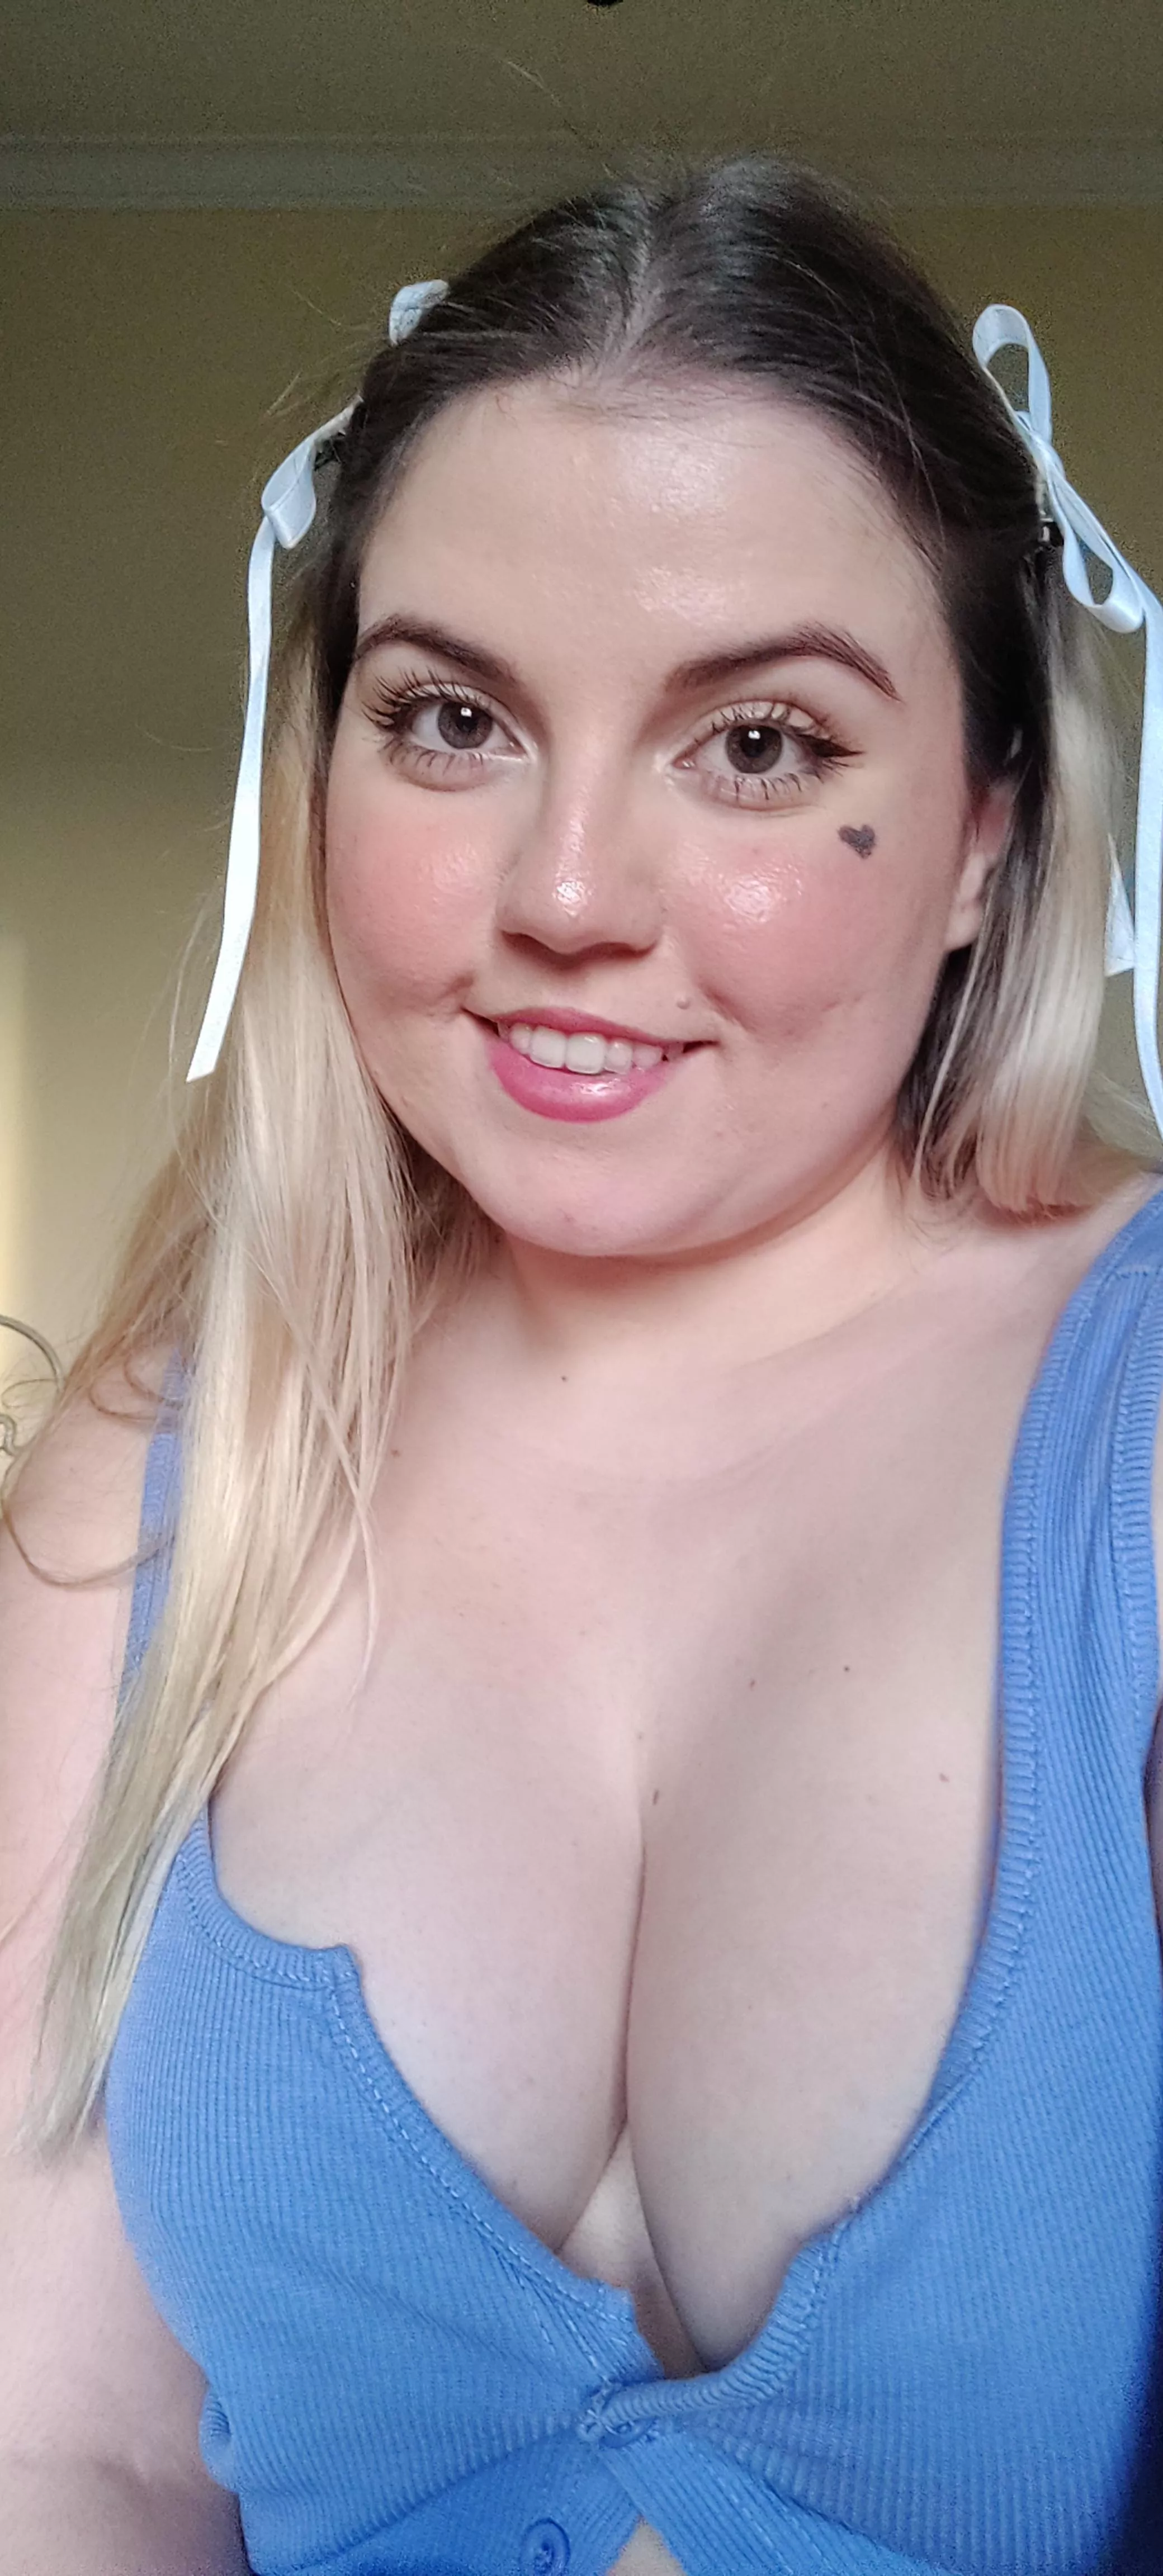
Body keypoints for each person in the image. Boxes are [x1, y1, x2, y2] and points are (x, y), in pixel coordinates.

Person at [2, 150, 1162, 2576]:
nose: (561, 895)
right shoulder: (158, 1479)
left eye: (758, 747)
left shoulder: (1134, 1445)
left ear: (987, 833)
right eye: (452, 720)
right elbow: (67, 2457)